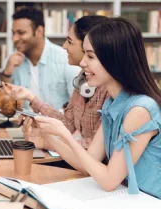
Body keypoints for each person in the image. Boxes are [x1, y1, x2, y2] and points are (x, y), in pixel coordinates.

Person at [23, 18, 161, 198]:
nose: (82, 63)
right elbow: (86, 163)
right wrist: (48, 135)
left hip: (151, 204)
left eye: (90, 56)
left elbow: (110, 181)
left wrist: (64, 135)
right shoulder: (113, 103)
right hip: (129, 197)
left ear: (113, 60)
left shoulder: (139, 110)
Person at [4, 15, 109, 150]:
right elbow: (68, 123)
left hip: (93, 166)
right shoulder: (82, 77)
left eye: (70, 42)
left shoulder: (108, 87)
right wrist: (33, 105)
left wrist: (47, 143)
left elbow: (97, 148)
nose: (64, 46)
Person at [1, 6, 80, 110]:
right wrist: (6, 74)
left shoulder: (66, 59)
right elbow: (4, 108)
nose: (14, 38)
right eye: (13, 33)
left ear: (39, 31)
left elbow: (78, 107)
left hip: (57, 124)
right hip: (22, 125)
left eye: (21, 33)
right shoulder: (10, 62)